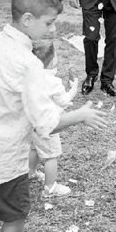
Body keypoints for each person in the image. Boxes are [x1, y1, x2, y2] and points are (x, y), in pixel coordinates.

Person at [0, 0, 107, 232]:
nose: (53, 29)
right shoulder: (27, 63)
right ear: (27, 19)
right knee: (14, 218)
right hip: (3, 155)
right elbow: (46, 124)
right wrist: (81, 115)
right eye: (49, 23)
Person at [28, 42, 77, 197]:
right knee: (50, 156)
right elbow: (64, 101)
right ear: (52, 60)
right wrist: (74, 88)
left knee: (34, 148)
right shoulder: (53, 82)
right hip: (48, 125)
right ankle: (50, 188)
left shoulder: (29, 76)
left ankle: (30, 172)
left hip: (31, 122)